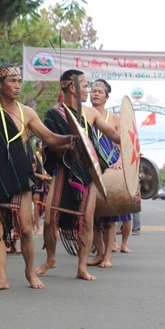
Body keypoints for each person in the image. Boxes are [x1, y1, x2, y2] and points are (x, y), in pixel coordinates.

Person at [0, 64, 73, 291]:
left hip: (20, 178)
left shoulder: (27, 112)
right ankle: (1, 279)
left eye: (19, 81)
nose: (17, 85)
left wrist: (73, 139)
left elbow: (50, 137)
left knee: (26, 229)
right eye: (12, 81)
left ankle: (29, 272)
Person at [35, 69, 120, 281]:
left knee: (87, 221)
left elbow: (113, 135)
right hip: (63, 169)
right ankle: (51, 258)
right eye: (84, 85)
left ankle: (81, 267)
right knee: (49, 220)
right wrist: (69, 143)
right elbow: (51, 142)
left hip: (87, 172)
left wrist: (129, 136)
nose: (87, 89)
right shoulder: (54, 113)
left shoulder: (91, 113)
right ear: (72, 88)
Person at [86, 78, 127, 268]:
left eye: (100, 91)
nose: (95, 93)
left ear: (107, 97)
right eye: (93, 90)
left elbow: (123, 141)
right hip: (92, 166)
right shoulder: (85, 115)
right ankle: (99, 252)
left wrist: (119, 160)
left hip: (111, 167)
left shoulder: (116, 119)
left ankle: (108, 255)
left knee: (110, 216)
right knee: (93, 215)